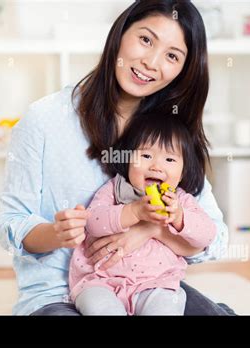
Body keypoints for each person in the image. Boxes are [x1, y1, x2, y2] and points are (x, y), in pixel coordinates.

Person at [0, 0, 234, 316]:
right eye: (146, 39)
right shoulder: (45, 118)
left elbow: (215, 237)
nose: (151, 62)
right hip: (59, 296)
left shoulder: (169, 134)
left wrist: (150, 229)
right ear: (120, 33)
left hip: (147, 285)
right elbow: (10, 226)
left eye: (172, 56)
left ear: (184, 70)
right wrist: (54, 234)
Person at [69, 114, 217, 315]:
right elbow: (93, 222)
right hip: (101, 281)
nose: (156, 166)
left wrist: (180, 218)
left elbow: (207, 235)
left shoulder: (180, 201)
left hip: (157, 283)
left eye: (170, 159)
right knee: (100, 308)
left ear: (182, 172)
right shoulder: (116, 189)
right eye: (146, 156)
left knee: (166, 306)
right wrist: (134, 211)